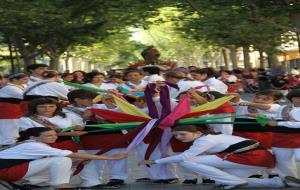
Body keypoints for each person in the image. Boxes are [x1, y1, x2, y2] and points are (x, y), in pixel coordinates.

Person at [139, 124, 300, 189]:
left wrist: (155, 161)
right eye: (176, 136)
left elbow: (184, 157)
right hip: (257, 159)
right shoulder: (211, 137)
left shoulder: (206, 140)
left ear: (197, 133)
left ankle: (233, 181)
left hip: (252, 158)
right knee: (234, 182)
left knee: (187, 161)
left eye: (183, 134)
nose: (180, 137)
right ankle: (278, 182)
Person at [0, 127, 127, 189]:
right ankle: (61, 184)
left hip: (9, 171)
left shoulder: (33, 143)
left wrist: (79, 161)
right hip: (6, 171)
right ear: (34, 137)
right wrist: (110, 158)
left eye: (54, 135)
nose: (53, 138)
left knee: (67, 164)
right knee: (63, 160)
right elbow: (73, 154)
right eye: (48, 136)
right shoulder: (34, 145)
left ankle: (22, 182)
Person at [19, 98, 86, 152]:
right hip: (43, 146)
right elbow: (28, 135)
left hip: (68, 144)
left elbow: (79, 126)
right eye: (42, 107)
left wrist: (78, 128)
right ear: (34, 107)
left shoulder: (67, 115)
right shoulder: (26, 119)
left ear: (56, 107)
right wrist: (68, 134)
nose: (47, 109)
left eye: (51, 106)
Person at [267, 89, 300, 178]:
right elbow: (277, 117)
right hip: (281, 137)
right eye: (296, 97)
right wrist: (263, 117)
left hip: (298, 137)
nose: (298, 99)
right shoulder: (283, 107)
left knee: (298, 157)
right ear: (291, 98)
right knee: (283, 162)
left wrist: (278, 123)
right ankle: (291, 180)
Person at [0, 73, 29, 146]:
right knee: (9, 129)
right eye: (24, 79)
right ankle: (6, 145)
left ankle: (12, 143)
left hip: (17, 110)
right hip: (7, 111)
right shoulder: (9, 87)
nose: (27, 80)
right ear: (14, 80)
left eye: (27, 79)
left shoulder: (24, 86)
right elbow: (24, 96)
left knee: (16, 128)